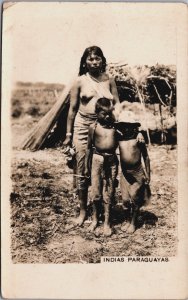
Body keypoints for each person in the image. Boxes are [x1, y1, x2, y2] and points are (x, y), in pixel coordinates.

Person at [63, 46, 120, 226]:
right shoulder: (79, 81)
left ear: (103, 60)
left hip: (105, 128)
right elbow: (72, 110)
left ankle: (103, 210)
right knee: (81, 169)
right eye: (90, 59)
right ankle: (82, 211)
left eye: (97, 59)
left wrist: (119, 125)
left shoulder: (109, 80)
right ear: (84, 62)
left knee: (105, 169)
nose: (94, 62)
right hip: (82, 127)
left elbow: (117, 105)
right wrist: (68, 134)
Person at [85, 98, 119, 236]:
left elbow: (131, 132)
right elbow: (88, 148)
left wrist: (139, 133)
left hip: (111, 160)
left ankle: (107, 222)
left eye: (109, 113)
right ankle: (94, 219)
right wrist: (87, 167)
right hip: (96, 159)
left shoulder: (116, 127)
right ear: (96, 112)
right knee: (95, 191)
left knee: (109, 192)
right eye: (104, 113)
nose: (107, 116)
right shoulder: (93, 128)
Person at [117, 110, 151, 234]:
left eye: (130, 126)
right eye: (124, 126)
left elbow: (146, 157)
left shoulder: (139, 139)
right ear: (120, 127)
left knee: (136, 198)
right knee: (125, 199)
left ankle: (133, 222)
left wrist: (148, 174)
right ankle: (127, 219)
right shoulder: (119, 137)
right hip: (125, 173)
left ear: (134, 127)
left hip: (137, 172)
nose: (127, 129)